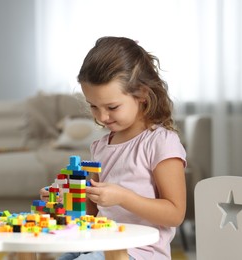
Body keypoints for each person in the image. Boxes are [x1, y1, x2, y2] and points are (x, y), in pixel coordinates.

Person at [40, 36, 186, 260]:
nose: (102, 117)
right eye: (94, 107)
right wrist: (66, 198)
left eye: (112, 107)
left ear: (142, 95)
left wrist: (123, 197)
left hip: (139, 252)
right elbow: (92, 212)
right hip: (99, 241)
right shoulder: (100, 146)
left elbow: (175, 213)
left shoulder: (160, 142)